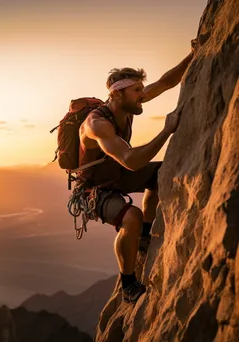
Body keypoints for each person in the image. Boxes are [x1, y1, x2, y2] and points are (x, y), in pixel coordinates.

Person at [77, 43, 197, 303]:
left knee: (164, 171)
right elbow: (131, 161)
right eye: (137, 91)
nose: (143, 95)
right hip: (94, 189)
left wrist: (193, 54)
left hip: (118, 175)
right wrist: (166, 130)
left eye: (142, 89)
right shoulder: (97, 125)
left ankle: (144, 234)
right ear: (117, 94)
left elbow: (165, 82)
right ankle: (128, 283)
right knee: (131, 216)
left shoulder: (128, 104)